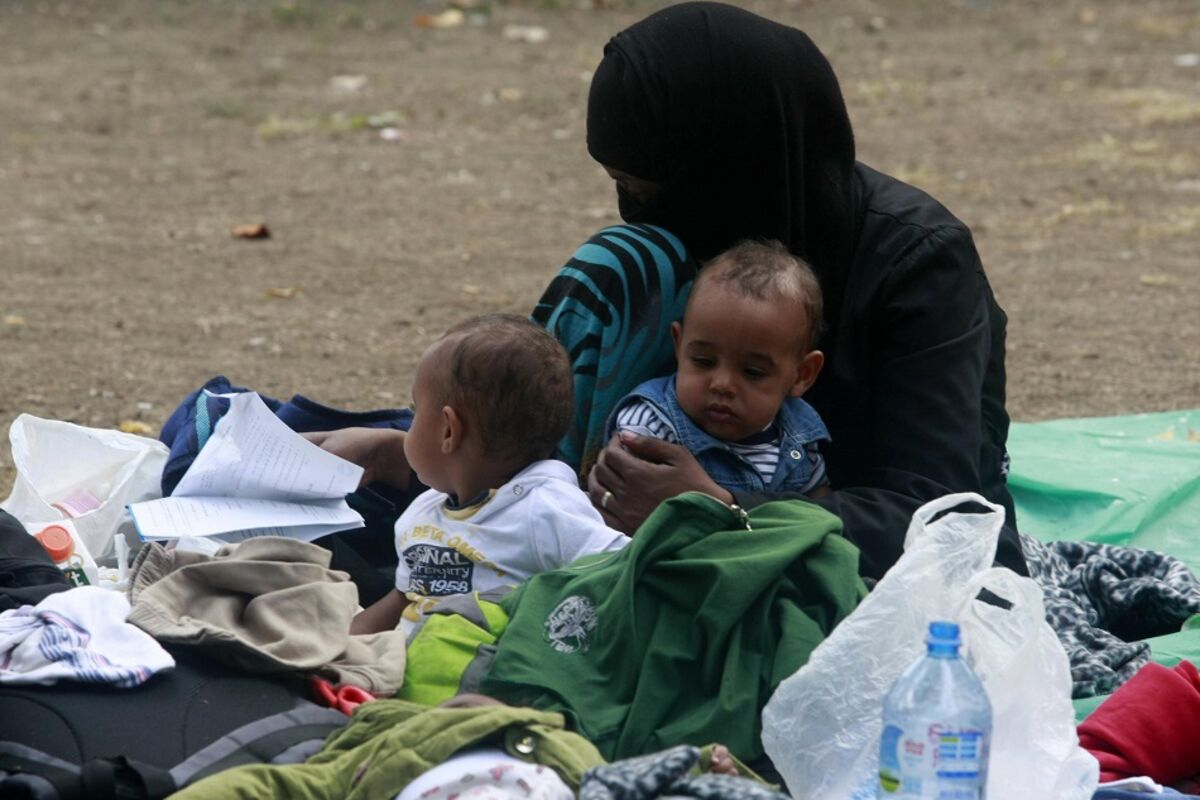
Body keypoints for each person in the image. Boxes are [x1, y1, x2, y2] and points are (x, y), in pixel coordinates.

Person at [534, 1, 1028, 580]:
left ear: (723, 169)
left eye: (644, 190)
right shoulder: (680, 255)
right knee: (622, 263)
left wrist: (724, 509)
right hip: (677, 552)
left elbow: (939, 515)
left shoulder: (920, 264)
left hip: (881, 571)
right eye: (623, 187)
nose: (637, 210)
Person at [349, 314, 627, 636]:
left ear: (449, 431)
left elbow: (626, 570)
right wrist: (339, 645)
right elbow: (403, 600)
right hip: (405, 659)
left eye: (415, 411)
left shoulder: (547, 509)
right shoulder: (424, 511)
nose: (410, 424)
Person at [604, 239, 831, 498]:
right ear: (679, 345)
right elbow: (622, 503)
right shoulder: (651, 427)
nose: (722, 384)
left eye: (752, 372)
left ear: (802, 375)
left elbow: (819, 511)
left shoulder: (801, 438)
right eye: (704, 361)